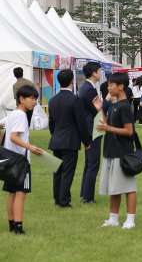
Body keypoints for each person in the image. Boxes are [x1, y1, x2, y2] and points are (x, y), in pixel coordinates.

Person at [95, 72, 137, 229]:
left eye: (111, 85)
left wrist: (110, 128)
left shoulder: (125, 106)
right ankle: (113, 218)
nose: (108, 87)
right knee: (114, 187)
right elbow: (105, 124)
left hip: (122, 152)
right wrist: (100, 110)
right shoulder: (114, 105)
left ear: (121, 87)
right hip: (111, 150)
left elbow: (129, 131)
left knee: (128, 187)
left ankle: (130, 220)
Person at [4, 86, 43, 234]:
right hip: (21, 162)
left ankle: (12, 225)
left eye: (35, 99)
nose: (34, 102)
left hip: (9, 160)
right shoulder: (21, 115)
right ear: (21, 99)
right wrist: (30, 147)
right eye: (32, 98)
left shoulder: (12, 114)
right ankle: (18, 227)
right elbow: (14, 137)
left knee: (12, 193)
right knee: (21, 193)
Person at [48, 69, 88, 208]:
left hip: (56, 139)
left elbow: (51, 122)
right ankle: (64, 200)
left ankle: (57, 198)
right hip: (70, 140)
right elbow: (81, 123)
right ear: (72, 81)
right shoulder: (75, 100)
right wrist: (86, 141)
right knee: (67, 172)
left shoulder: (52, 100)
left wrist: (54, 134)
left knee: (57, 171)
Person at [78, 61, 102, 204]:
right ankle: (88, 197)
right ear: (94, 73)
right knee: (93, 164)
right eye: (99, 71)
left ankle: (85, 193)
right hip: (92, 130)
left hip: (89, 129)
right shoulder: (89, 89)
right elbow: (97, 110)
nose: (100, 73)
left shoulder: (85, 87)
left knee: (89, 163)